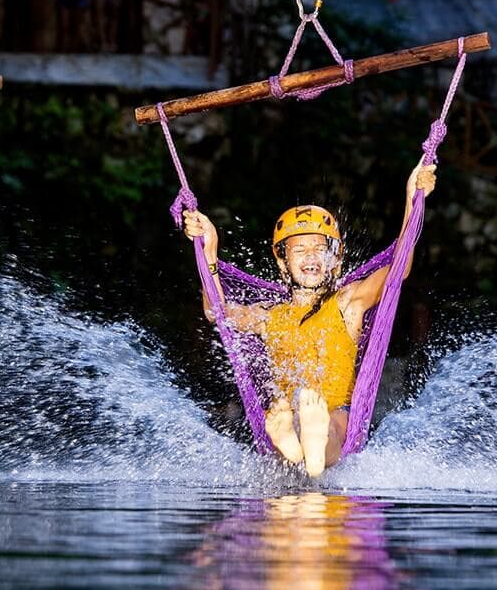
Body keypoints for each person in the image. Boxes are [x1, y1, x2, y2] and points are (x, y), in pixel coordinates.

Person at [183, 161, 436, 477]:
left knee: (329, 425)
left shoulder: (348, 302)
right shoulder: (268, 316)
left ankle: (309, 442)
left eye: (320, 249)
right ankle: (292, 440)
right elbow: (215, 312)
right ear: (283, 263)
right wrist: (209, 252)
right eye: (300, 250)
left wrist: (413, 199)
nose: (312, 257)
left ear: (336, 260)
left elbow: (399, 269)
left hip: (337, 415)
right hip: (286, 413)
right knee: (280, 415)